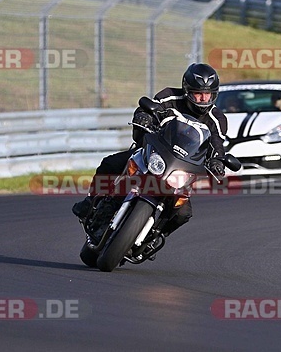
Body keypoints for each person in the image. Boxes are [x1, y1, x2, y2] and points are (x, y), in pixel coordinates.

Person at [72, 63, 228, 236]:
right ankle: (90, 201)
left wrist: (217, 161)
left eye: (207, 95)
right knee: (110, 164)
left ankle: (154, 236)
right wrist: (143, 117)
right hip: (154, 153)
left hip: (183, 167)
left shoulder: (217, 119)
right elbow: (148, 108)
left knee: (183, 213)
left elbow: (217, 143)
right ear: (187, 90)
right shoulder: (169, 97)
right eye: (198, 94)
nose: (202, 99)